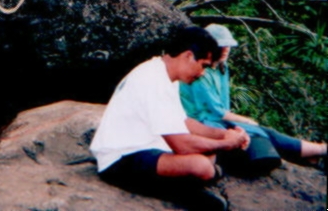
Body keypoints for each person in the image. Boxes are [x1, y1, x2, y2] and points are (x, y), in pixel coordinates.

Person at [90, 26, 250, 210]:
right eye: (204, 65)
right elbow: (181, 145)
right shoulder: (152, 80)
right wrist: (226, 144)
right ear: (188, 56)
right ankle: (181, 191)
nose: (203, 73)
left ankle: (182, 185)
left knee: (208, 156)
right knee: (201, 166)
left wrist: (225, 134)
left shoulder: (165, 74)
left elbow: (185, 123)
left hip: (149, 149)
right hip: (120, 160)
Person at [180, 24, 327, 173]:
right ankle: (320, 150)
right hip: (202, 122)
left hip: (217, 120)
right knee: (259, 133)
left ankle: (314, 154)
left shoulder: (221, 68)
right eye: (221, 45)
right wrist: (246, 121)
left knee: (262, 132)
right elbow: (215, 112)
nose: (225, 50)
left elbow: (223, 106)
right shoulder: (201, 72)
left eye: (228, 45)